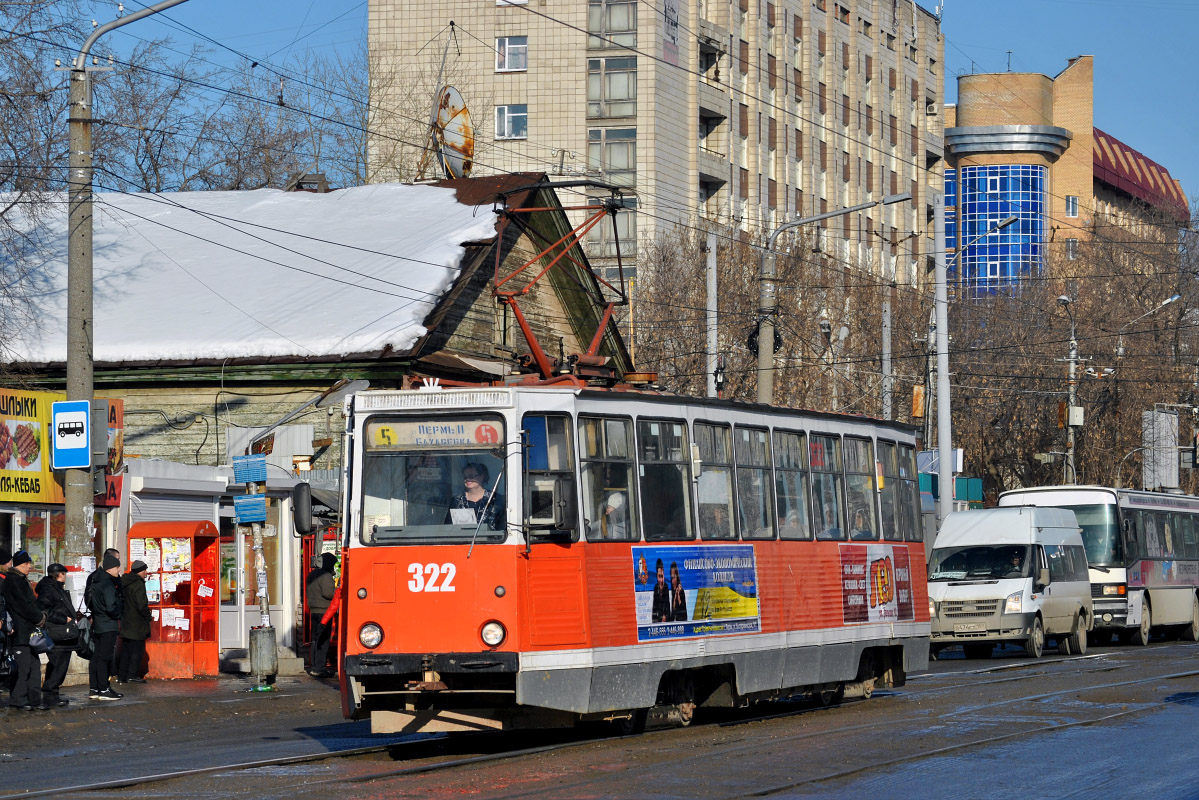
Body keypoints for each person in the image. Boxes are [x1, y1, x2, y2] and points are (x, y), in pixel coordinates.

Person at [2, 551, 46, 710]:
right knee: (23, 667)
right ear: (19, 565)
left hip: (29, 631)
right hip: (20, 631)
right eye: (27, 563)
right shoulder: (13, 581)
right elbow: (23, 606)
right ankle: (18, 699)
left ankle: (34, 700)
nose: (30, 566)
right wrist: (39, 618)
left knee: (34, 666)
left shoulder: (21, 580)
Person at [35, 563, 76, 708]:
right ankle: (50, 695)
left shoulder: (56, 588)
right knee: (58, 665)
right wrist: (63, 618)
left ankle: (52, 694)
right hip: (57, 632)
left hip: (63, 632)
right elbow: (43, 610)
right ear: (59, 574)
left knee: (60, 665)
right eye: (64, 573)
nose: (65, 576)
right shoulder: (49, 589)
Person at [86, 551, 124, 701]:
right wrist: (118, 614)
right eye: (117, 567)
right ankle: (103, 688)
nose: (119, 570)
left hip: (98, 623)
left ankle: (94, 688)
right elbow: (111, 607)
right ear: (109, 569)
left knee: (96, 656)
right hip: (108, 624)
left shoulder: (95, 581)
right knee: (104, 657)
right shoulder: (108, 584)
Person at [117, 560, 151, 684]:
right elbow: (141, 605)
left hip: (126, 621)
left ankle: (122, 675)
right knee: (137, 650)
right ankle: (132, 674)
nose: (146, 573)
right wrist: (148, 617)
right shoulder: (138, 584)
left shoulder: (125, 582)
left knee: (126, 650)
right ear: (140, 571)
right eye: (144, 570)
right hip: (136, 623)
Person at [445, 463, 505, 531]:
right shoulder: (456, 501)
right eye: (465, 476)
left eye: (471, 476)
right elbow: (448, 527)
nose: (467, 479)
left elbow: (502, 528)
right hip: (462, 540)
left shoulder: (495, 499)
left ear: (482, 476)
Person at [306, 552, 337, 678]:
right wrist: (337, 589)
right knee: (323, 641)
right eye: (333, 565)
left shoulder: (312, 574)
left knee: (316, 639)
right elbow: (328, 593)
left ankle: (314, 666)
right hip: (324, 612)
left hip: (314, 611)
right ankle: (319, 668)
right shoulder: (326, 576)